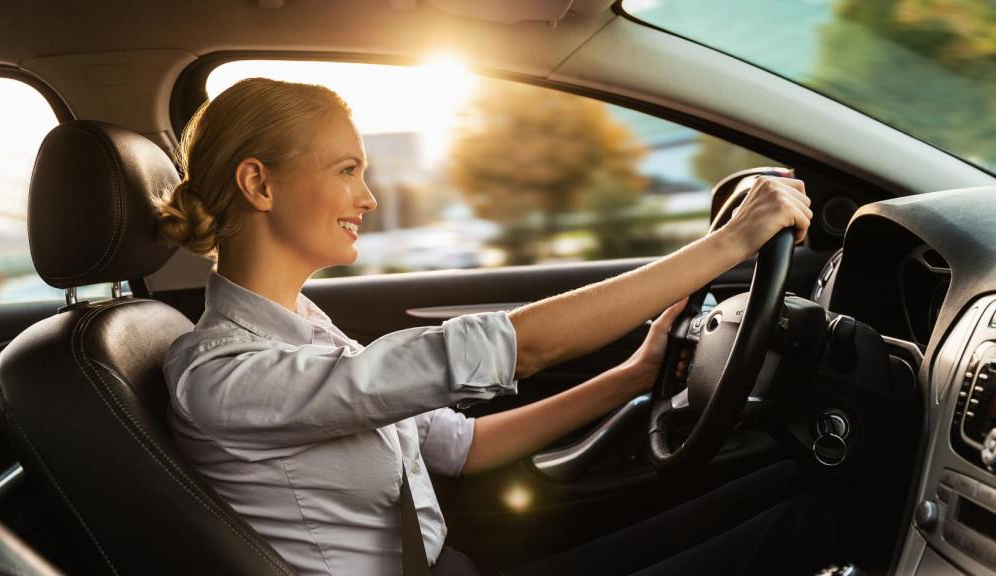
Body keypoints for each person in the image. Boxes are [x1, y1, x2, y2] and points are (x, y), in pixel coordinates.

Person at [152, 77, 812, 576]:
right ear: (258, 185)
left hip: (453, 565)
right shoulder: (224, 376)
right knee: (790, 529)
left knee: (788, 493)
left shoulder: (301, 328)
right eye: (346, 170)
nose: (369, 197)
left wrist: (631, 376)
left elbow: (458, 446)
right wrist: (729, 245)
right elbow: (521, 348)